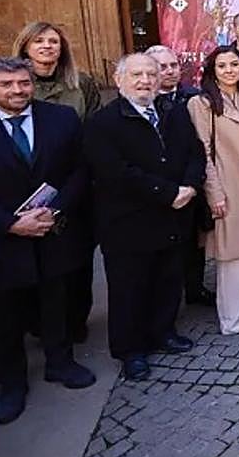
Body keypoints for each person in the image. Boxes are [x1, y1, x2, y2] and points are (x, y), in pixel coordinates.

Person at [0, 58, 95, 423]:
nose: (17, 90)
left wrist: (54, 211)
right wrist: (8, 223)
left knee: (57, 301)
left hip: (52, 230)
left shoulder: (61, 119)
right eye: (7, 84)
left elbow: (80, 170)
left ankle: (60, 362)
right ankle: (11, 383)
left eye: (23, 83)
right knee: (4, 315)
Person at [84, 53, 204, 382]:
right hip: (129, 220)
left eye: (151, 74)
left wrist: (190, 186)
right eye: (137, 75)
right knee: (129, 287)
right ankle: (131, 350)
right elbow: (115, 172)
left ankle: (163, 331)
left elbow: (195, 152)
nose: (146, 81)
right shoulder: (103, 122)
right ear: (119, 79)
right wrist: (169, 192)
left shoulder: (172, 111)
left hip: (173, 214)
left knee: (167, 278)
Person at [9, 21, 103, 343]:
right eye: (40, 41)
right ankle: (40, 325)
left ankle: (76, 320)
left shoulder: (81, 84)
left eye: (54, 41)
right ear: (25, 47)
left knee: (78, 260)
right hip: (24, 188)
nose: (48, 46)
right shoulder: (12, 83)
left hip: (73, 183)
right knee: (35, 262)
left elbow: (93, 128)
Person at [186, 47, 239, 335]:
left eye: (235, 64)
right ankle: (233, 318)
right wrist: (214, 192)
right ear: (212, 70)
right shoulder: (203, 103)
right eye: (222, 66)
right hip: (228, 184)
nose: (230, 70)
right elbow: (203, 152)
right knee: (233, 252)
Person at [147, 44, 215, 307]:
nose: (169, 71)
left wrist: (193, 181)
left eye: (173, 65)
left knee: (195, 240)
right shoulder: (145, 101)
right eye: (162, 67)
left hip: (193, 182)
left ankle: (196, 287)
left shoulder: (194, 97)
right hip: (161, 187)